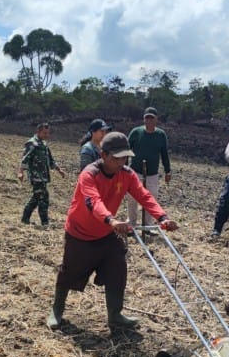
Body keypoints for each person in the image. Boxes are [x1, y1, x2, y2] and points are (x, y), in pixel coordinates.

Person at [47, 132, 179, 330]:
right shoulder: (89, 174)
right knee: (69, 272)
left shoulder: (127, 174)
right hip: (81, 232)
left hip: (107, 233)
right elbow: (93, 201)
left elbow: (144, 196)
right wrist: (111, 220)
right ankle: (56, 311)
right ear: (104, 155)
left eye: (124, 158)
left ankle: (115, 315)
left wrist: (162, 217)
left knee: (117, 269)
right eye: (116, 158)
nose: (121, 162)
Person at [126, 107, 172, 227]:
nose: (149, 121)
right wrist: (124, 169)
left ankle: (148, 225)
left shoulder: (161, 135)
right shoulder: (136, 132)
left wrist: (167, 171)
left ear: (156, 119)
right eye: (147, 118)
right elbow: (126, 150)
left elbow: (164, 154)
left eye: (152, 118)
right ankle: (131, 223)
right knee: (132, 198)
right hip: (135, 172)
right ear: (144, 119)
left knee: (151, 198)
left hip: (152, 173)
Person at [18, 122, 65, 225]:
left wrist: (59, 170)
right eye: (45, 133)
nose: (47, 135)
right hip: (36, 176)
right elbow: (25, 159)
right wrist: (21, 172)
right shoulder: (32, 143)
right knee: (44, 198)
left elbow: (51, 160)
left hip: (44, 176)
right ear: (38, 132)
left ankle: (25, 218)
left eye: (48, 133)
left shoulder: (44, 144)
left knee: (36, 198)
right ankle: (45, 222)